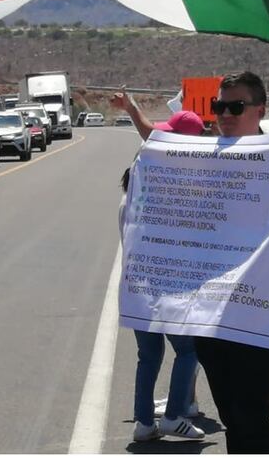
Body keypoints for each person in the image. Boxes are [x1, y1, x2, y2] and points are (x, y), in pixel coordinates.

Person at [189, 71, 269, 454]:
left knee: (252, 415)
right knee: (232, 415)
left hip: (258, 312)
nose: (225, 114)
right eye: (219, 106)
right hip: (208, 310)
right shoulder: (200, 159)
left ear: (259, 110)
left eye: (236, 106)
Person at [113, 91, 206, 442]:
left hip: (137, 283)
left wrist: (132, 106)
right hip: (170, 282)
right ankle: (172, 417)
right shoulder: (179, 185)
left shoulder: (138, 187)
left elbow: (149, 133)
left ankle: (143, 423)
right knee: (188, 349)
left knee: (148, 354)